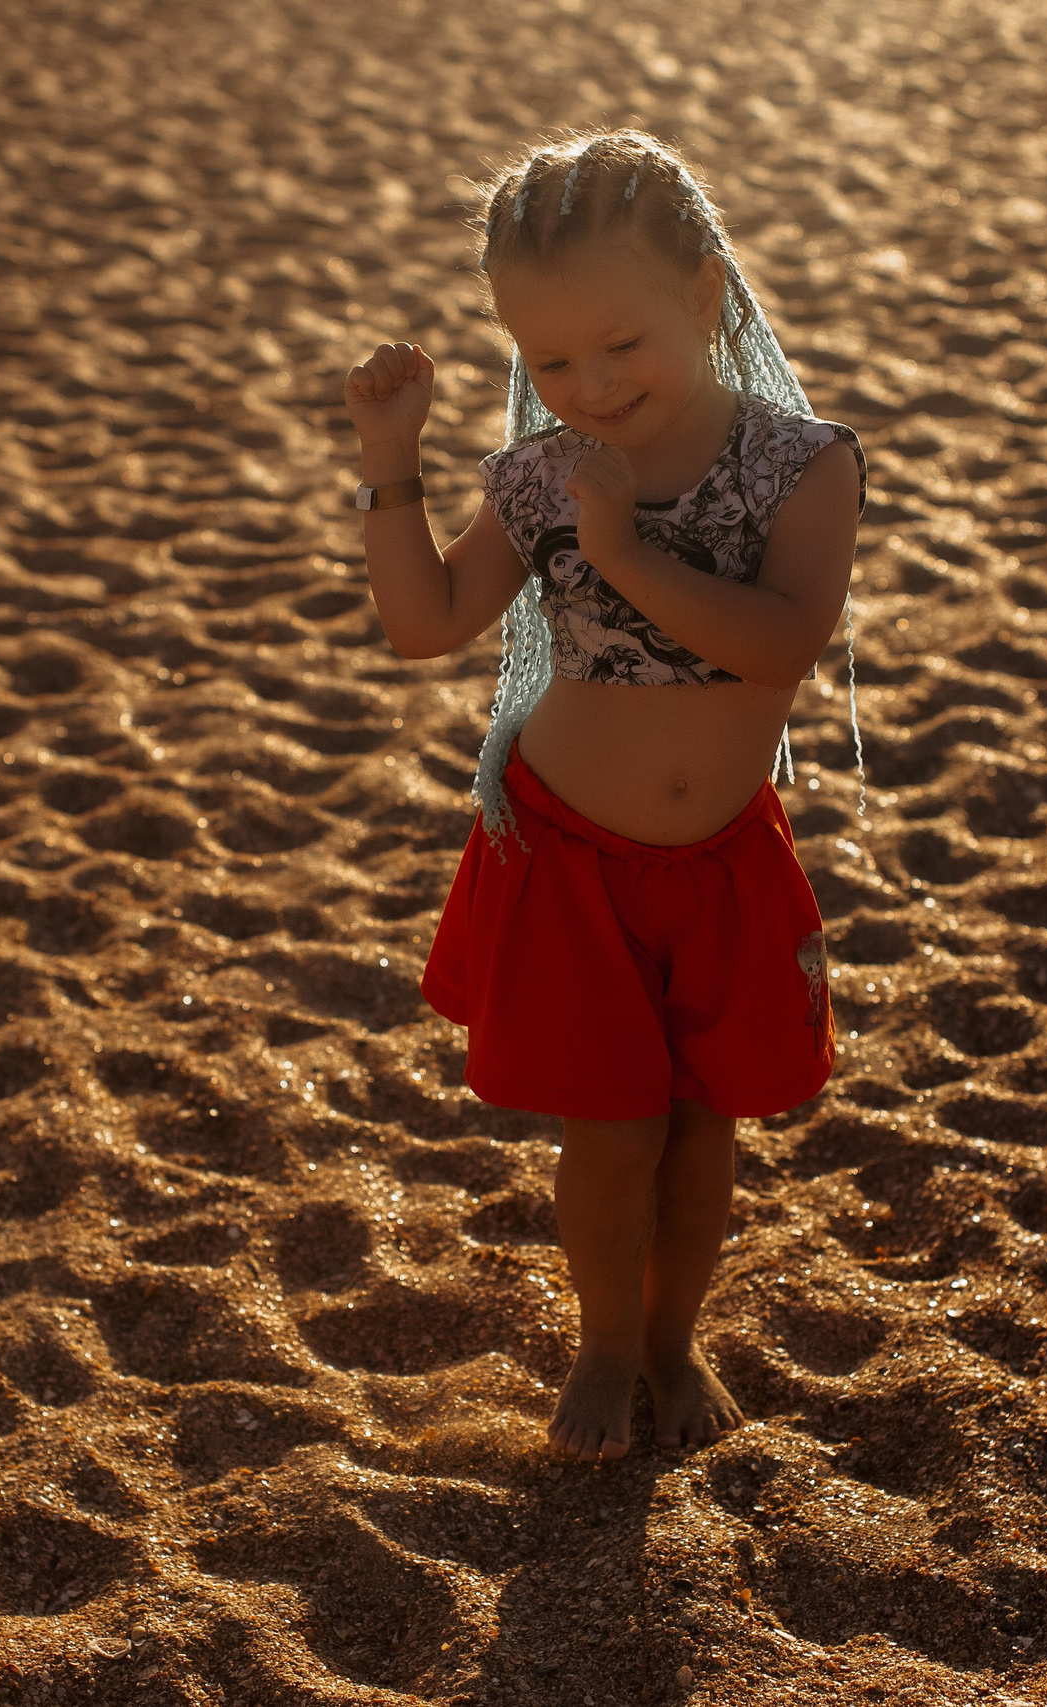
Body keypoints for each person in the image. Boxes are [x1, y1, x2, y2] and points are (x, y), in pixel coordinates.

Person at [342, 129, 867, 1461]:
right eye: (552, 361)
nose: (589, 386)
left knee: (700, 1135)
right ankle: (605, 1345)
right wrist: (391, 464)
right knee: (615, 1133)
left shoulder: (803, 465)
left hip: (720, 863)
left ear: (705, 291)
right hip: (572, 858)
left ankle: (674, 1341)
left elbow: (781, 643)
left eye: (620, 345)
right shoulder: (545, 474)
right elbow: (427, 623)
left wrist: (623, 552)